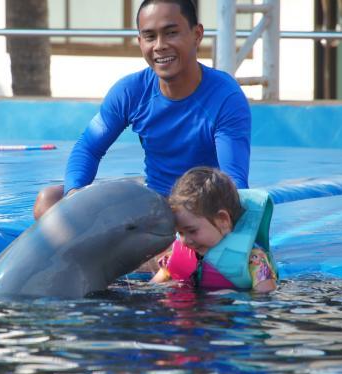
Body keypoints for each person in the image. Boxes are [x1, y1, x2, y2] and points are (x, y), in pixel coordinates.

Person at [33, 0, 251, 220]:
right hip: (155, 207)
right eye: (150, 37)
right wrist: (74, 194)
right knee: (49, 200)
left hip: (201, 213)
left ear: (197, 34)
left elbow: (234, 185)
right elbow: (88, 148)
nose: (160, 45)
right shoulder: (130, 91)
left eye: (171, 33)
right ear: (140, 41)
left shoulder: (226, 97)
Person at [151, 167, 277, 293]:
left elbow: (264, 299)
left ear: (223, 220)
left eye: (192, 231)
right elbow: (153, 288)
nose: (185, 241)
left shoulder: (254, 260)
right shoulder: (175, 257)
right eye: (180, 233)